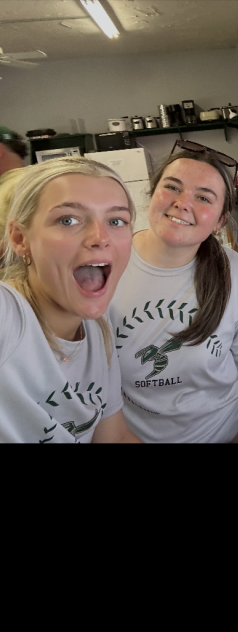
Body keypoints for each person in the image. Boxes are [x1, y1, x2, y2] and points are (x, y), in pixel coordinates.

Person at [110, 141, 238, 444]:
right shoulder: (108, 266)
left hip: (227, 435)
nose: (183, 203)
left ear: (220, 220)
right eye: (172, 187)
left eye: (203, 197)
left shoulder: (237, 274)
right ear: (152, 193)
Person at [0, 157, 142, 444]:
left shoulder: (98, 329)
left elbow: (113, 437)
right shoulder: (8, 317)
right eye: (68, 220)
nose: (100, 237)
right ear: (19, 239)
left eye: (116, 221)